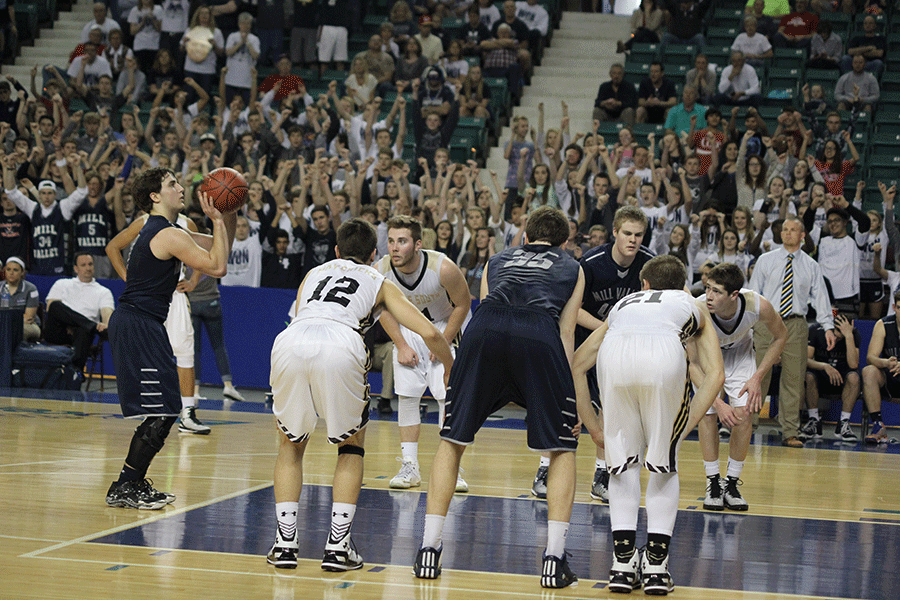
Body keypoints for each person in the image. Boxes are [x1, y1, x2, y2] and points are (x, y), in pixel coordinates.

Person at [413, 206, 585, 589]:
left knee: (452, 438)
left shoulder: (497, 259)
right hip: (539, 333)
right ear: (563, 241)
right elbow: (567, 331)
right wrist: (568, 394)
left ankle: (428, 549)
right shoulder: (573, 266)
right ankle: (554, 559)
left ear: (525, 237)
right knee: (562, 448)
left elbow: (486, 305)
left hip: (486, 329)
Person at [267, 218, 453, 570]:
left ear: (336, 251)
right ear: (373, 254)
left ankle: (284, 544)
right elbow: (429, 333)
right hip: (340, 342)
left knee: (290, 445)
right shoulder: (378, 279)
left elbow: (301, 313)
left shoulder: (313, 274)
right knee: (350, 446)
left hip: (290, 340)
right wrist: (451, 367)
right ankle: (337, 548)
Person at [573, 254, 724, 595]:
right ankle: (656, 567)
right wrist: (684, 426)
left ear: (644, 285)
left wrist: (593, 426)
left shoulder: (624, 303)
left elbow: (577, 364)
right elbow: (716, 374)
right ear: (682, 285)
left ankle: (622, 566)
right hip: (663, 358)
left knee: (621, 467)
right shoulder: (691, 303)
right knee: (663, 467)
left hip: (614, 358)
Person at [104, 168, 235, 510]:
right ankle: (125, 485)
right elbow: (217, 267)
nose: (180, 187)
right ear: (155, 197)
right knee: (163, 410)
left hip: (144, 323)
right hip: (137, 324)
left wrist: (228, 214)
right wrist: (217, 220)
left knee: (166, 409)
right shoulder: (165, 233)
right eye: (171, 184)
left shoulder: (173, 231)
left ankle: (129, 483)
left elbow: (222, 249)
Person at [533, 205, 655, 502]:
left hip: (620, 347)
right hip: (584, 341)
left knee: (611, 410)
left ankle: (602, 473)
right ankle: (545, 470)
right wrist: (609, 327)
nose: (633, 240)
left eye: (639, 235)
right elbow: (571, 310)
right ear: (614, 233)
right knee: (568, 407)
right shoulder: (590, 263)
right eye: (627, 233)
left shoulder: (650, 263)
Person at [375, 215, 471, 491]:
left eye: (402, 241)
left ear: (417, 244)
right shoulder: (381, 269)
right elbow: (381, 308)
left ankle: (452, 469)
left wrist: (443, 340)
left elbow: (463, 304)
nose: (394, 248)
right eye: (391, 241)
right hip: (407, 332)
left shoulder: (444, 267)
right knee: (406, 396)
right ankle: (409, 466)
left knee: (446, 396)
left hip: (444, 327)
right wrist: (401, 344)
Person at [107, 212, 212, 435]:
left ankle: (188, 413)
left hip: (174, 296)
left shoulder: (186, 224)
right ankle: (150, 411)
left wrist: (194, 281)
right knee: (147, 355)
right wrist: (128, 278)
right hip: (148, 299)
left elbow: (207, 255)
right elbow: (112, 247)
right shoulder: (145, 222)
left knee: (185, 353)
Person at [695, 263, 786, 512]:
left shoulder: (758, 305)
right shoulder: (697, 309)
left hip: (740, 354)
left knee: (744, 414)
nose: (709, 295)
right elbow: (690, 362)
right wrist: (717, 402)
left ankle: (732, 483)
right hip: (706, 359)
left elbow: (781, 336)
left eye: (716, 291)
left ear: (734, 294)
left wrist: (757, 376)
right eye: (707, 288)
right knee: (707, 413)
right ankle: (713, 481)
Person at [749, 216, 835, 448]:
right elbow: (753, 295)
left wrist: (828, 327)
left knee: (794, 379)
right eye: (784, 229)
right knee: (759, 374)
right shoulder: (765, 260)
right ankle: (748, 425)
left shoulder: (811, 265)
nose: (787, 233)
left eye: (792, 230)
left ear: (802, 234)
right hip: (767, 321)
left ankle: (790, 431)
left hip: (796, 324)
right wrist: (748, 325)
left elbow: (821, 298)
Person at [44, 252, 115, 373]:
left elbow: (107, 313)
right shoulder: (62, 284)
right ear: (76, 268)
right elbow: (50, 308)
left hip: (81, 335)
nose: (88, 268)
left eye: (90, 264)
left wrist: (106, 324)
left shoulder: (103, 291)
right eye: (83, 265)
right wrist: (81, 323)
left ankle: (76, 373)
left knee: (83, 330)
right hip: (59, 330)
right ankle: (90, 326)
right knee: (56, 306)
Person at [803, 314, 860, 442]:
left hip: (842, 379)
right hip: (821, 376)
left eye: (842, 331)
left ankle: (843, 423)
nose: (837, 335)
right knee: (808, 376)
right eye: (836, 330)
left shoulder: (854, 334)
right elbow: (805, 360)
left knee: (854, 377)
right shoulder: (816, 330)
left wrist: (848, 336)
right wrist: (824, 366)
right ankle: (814, 421)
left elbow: (853, 364)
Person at [861, 290, 900, 445]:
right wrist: (885, 363)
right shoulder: (883, 324)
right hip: (890, 378)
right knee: (868, 371)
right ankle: (878, 425)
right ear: (894, 307)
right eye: (899, 307)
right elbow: (870, 357)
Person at [0, 256, 40, 341]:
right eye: (8, 269)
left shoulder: (31, 289)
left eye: (15, 270)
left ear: (22, 272)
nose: (11, 273)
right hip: (4, 324)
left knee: (14, 331)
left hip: (28, 325)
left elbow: (28, 317)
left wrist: (5, 320)